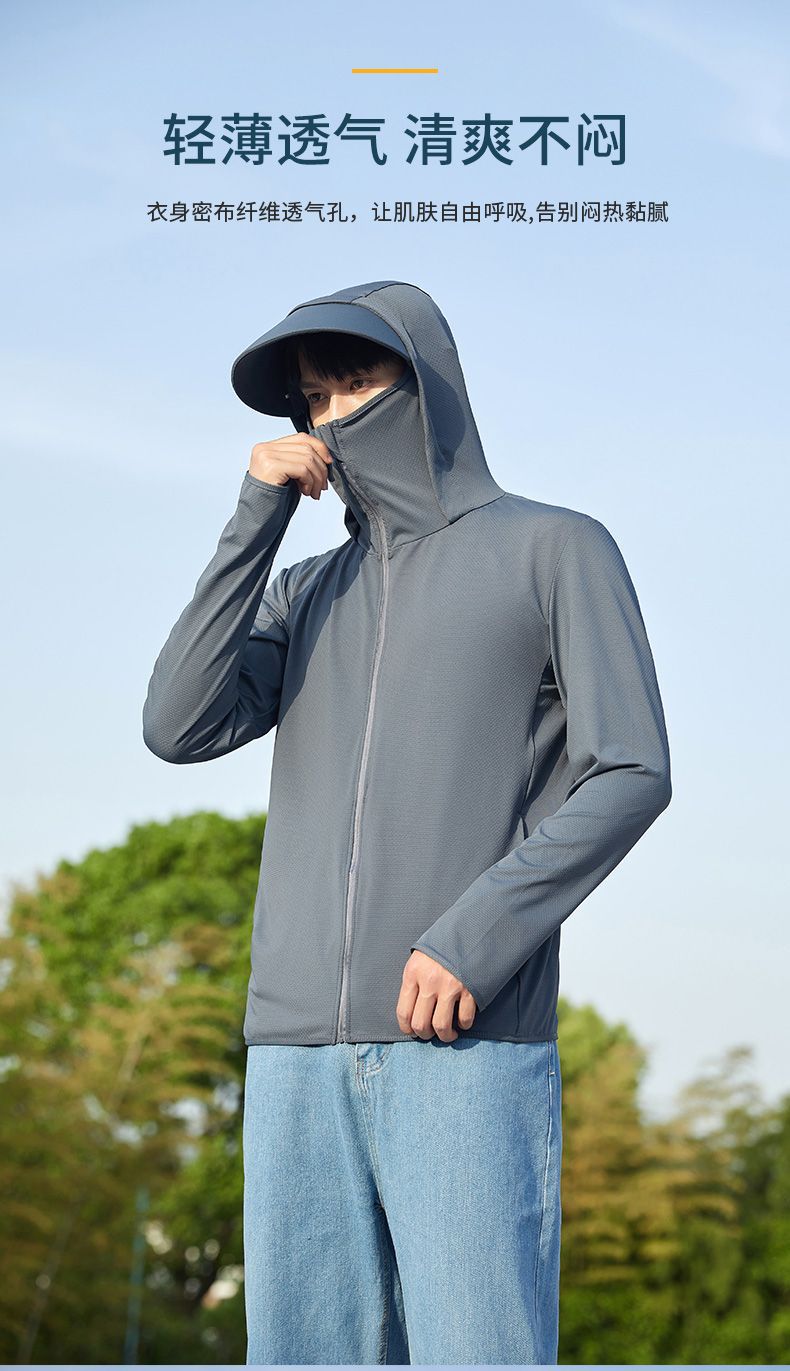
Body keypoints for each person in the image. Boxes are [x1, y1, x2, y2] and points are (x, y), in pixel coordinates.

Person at [142, 279, 672, 1365]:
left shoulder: (554, 549)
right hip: (293, 1056)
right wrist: (255, 518)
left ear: (428, 385)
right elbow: (176, 724)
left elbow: (630, 768)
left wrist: (475, 936)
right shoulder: (302, 593)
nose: (334, 415)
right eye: (314, 398)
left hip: (462, 1044)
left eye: (357, 381)